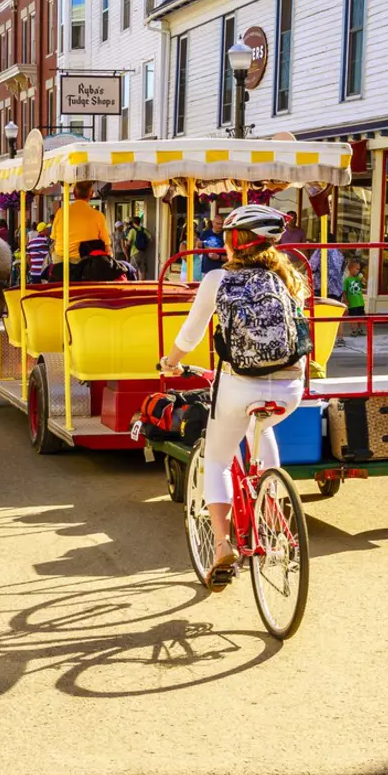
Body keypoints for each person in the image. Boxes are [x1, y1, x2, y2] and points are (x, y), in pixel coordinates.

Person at [156, 204, 308, 592]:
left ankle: (223, 544)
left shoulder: (217, 280)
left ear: (235, 242)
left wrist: (170, 363)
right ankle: (272, 501)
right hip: (291, 386)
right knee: (264, 425)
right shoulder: (289, 278)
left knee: (219, 459)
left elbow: (191, 335)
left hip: (241, 384)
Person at [341, 253, 368, 332]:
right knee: (352, 317)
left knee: (361, 316)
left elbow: (364, 283)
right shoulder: (347, 280)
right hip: (352, 303)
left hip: (360, 302)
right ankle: (353, 330)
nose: (358, 271)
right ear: (350, 269)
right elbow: (344, 291)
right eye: (356, 269)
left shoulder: (358, 278)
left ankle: (360, 328)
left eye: (359, 269)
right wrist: (345, 300)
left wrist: (362, 277)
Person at [124, 212, 155, 280]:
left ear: (133, 222)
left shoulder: (132, 231)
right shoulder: (144, 230)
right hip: (143, 252)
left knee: (133, 271)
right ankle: (142, 285)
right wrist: (145, 245)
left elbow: (128, 243)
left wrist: (126, 253)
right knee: (142, 271)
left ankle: (134, 286)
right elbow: (151, 238)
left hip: (134, 253)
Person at [25, 220, 51, 286]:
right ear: (44, 231)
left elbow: (28, 258)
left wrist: (31, 268)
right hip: (45, 272)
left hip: (34, 272)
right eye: (47, 229)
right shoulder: (47, 241)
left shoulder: (31, 242)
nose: (49, 230)